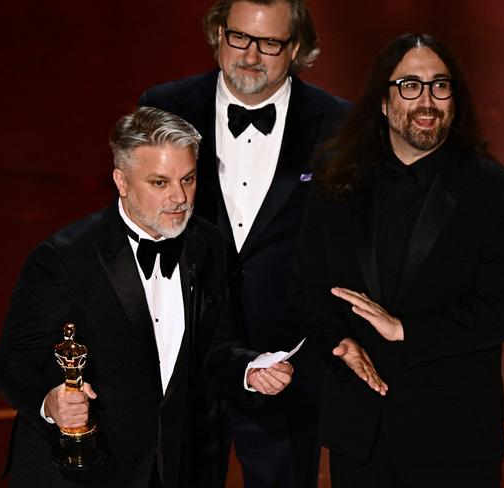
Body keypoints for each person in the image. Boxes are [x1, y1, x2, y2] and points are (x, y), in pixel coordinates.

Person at [0, 106, 294, 488]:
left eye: (187, 179)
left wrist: (249, 370)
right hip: (81, 473)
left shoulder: (208, 245)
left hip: (172, 469)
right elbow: (11, 362)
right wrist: (49, 403)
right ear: (121, 181)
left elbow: (216, 343)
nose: (179, 197)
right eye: (159, 183)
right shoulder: (65, 258)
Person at [291, 33, 504, 488]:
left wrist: (406, 330)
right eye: (410, 85)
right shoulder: (335, 179)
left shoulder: (498, 191)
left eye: (440, 86)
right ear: (382, 101)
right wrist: (338, 342)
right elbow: (307, 287)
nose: (427, 100)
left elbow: (500, 313)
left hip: (453, 438)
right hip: (359, 433)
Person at [138, 1, 349, 487]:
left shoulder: (337, 124)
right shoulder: (163, 106)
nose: (251, 55)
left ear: (295, 48)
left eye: (270, 43)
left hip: (286, 366)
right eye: (239, 38)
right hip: (186, 358)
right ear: (217, 33)